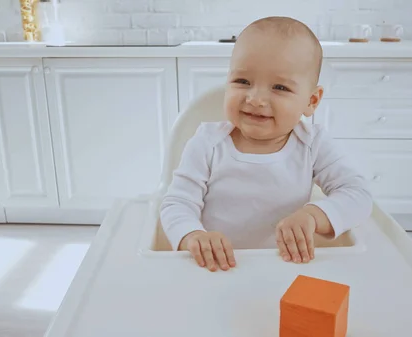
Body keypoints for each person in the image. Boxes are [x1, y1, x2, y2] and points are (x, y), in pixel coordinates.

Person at [160, 16, 373, 272]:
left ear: (311, 100)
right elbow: (177, 203)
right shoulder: (207, 143)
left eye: (280, 87)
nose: (256, 98)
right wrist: (192, 236)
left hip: (283, 267)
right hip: (213, 269)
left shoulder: (313, 144)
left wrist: (313, 216)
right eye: (242, 81)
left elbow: (358, 195)